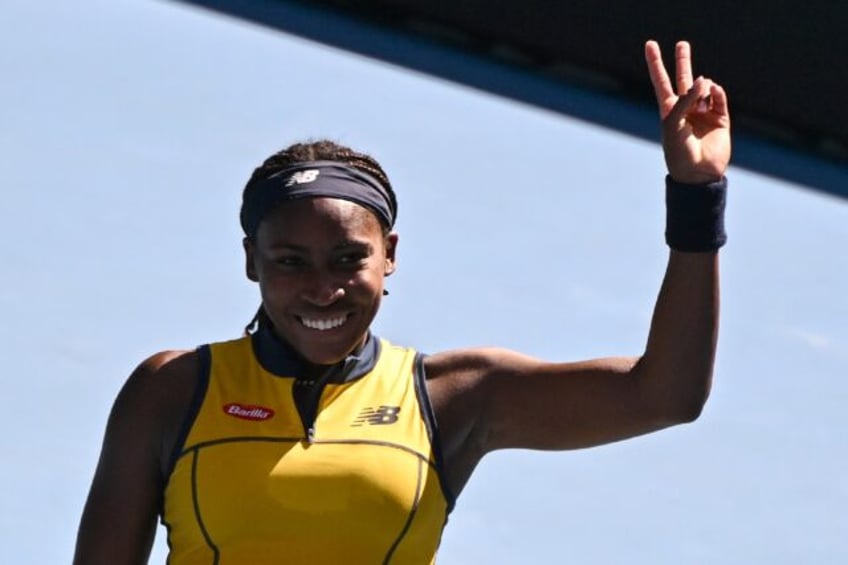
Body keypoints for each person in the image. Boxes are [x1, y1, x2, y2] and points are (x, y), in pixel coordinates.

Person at [74, 39, 730, 564]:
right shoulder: (172, 389)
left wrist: (696, 194)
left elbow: (665, 394)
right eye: (290, 261)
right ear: (251, 260)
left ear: (389, 255)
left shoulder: (457, 396)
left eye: (348, 259)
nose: (322, 288)